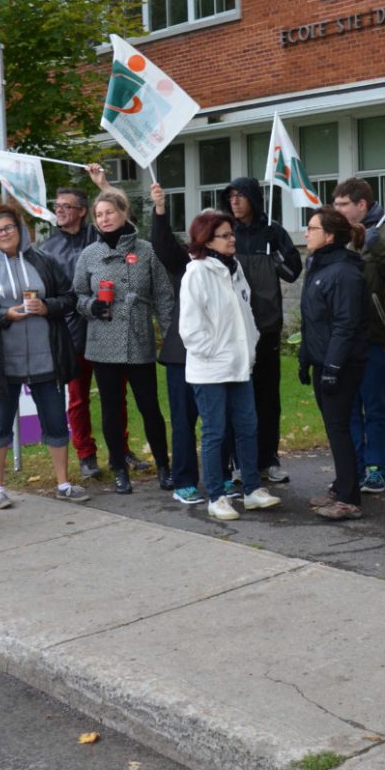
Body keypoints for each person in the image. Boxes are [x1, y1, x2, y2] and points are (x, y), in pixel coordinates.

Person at [0, 202, 88, 508]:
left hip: (45, 359)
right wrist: (5, 315)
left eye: (9, 228)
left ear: (20, 230)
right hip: (4, 362)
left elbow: (69, 298)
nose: (3, 234)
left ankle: (63, 483)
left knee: (54, 421)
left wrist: (47, 306)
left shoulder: (44, 261)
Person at [39, 171, 148, 479]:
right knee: (77, 397)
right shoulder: (47, 250)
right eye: (57, 206)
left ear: (82, 211)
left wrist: (103, 184)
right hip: (71, 332)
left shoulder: (97, 234)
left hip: (107, 328)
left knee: (116, 394)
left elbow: (128, 221)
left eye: (67, 206)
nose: (60, 210)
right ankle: (86, 454)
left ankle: (121, 450)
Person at [179, 210, 282, 521]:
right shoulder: (196, 273)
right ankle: (217, 496)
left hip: (239, 366)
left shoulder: (234, 270)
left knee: (248, 427)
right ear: (207, 240)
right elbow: (190, 327)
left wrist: (249, 349)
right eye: (225, 235)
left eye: (232, 233)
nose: (232, 239)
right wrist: (213, 351)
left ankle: (251, 490)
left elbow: (246, 315)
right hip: (210, 369)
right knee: (215, 432)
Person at [73, 188, 174, 494]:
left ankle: (164, 467)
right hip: (102, 342)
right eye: (99, 214)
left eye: (110, 212)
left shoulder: (147, 250)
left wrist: (171, 339)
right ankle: (119, 468)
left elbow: (163, 297)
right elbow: (77, 294)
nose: (104, 219)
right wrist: (91, 306)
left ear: (124, 212)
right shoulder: (89, 254)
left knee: (149, 407)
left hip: (138, 339)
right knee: (111, 408)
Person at [220, 177, 302, 483]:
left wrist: (275, 255)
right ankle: (240, 461)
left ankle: (268, 459)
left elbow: (293, 272)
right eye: (231, 196)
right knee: (238, 398)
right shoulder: (225, 232)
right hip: (234, 328)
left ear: (254, 198)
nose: (235, 201)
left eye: (241, 196)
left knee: (268, 398)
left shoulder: (273, 232)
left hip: (266, 328)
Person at [332, 177, 385, 493]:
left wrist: (378, 250)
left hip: (376, 336)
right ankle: (356, 467)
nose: (337, 210)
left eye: (343, 204)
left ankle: (379, 468)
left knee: (375, 406)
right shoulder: (339, 235)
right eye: (334, 205)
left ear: (361, 205)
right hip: (345, 339)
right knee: (348, 408)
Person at [300, 207, 369, 520]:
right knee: (334, 427)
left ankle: (349, 498)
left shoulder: (344, 272)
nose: (306, 233)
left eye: (312, 228)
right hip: (322, 361)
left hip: (341, 364)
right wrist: (306, 358)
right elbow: (314, 320)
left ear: (329, 235)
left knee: (339, 428)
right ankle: (342, 486)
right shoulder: (319, 266)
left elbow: (345, 325)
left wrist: (332, 367)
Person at [149, 183, 208, 505]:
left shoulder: (232, 266)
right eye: (218, 233)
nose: (228, 239)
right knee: (184, 422)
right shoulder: (186, 262)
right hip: (182, 355)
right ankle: (184, 480)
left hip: (219, 356)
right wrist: (160, 210)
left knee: (219, 421)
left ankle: (222, 477)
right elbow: (162, 244)